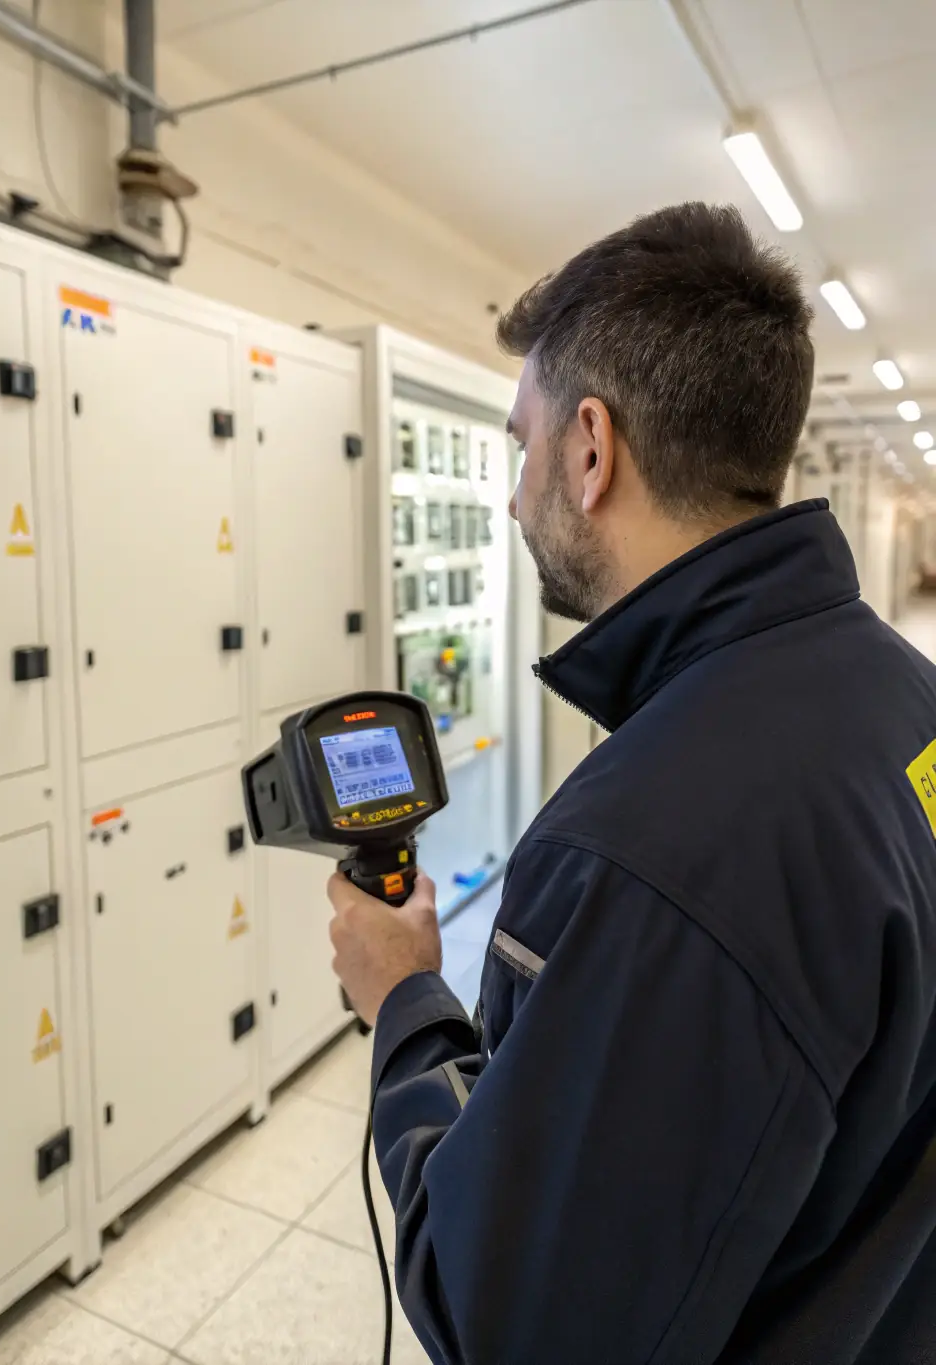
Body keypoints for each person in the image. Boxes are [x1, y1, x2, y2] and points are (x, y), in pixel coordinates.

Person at [327, 202, 936, 1364]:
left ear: (592, 450)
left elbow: (505, 1318)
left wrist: (405, 1000)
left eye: (523, 444)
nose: (511, 497)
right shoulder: (905, 695)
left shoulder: (644, 851)